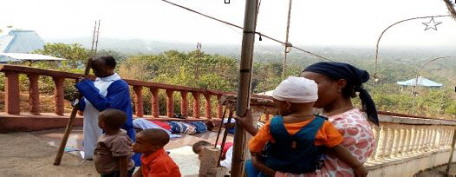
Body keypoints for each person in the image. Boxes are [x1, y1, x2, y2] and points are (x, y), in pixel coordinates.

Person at [237, 62, 378, 177]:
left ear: (340, 84)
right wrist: (251, 128)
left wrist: (265, 169)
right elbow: (290, 142)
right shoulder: (318, 115)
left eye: (312, 83)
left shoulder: (352, 128)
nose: (305, 89)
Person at [75, 56, 138, 163]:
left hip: (108, 125)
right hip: (91, 122)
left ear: (109, 67)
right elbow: (85, 104)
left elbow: (107, 106)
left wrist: (87, 88)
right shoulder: (95, 82)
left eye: (98, 69)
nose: (95, 72)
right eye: (93, 69)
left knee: (110, 157)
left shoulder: (120, 85)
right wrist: (77, 99)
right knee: (93, 148)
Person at [94, 109, 135, 177]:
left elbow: (123, 159)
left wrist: (123, 175)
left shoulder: (118, 140)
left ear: (102, 124)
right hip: (109, 170)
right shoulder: (108, 134)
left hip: (116, 172)